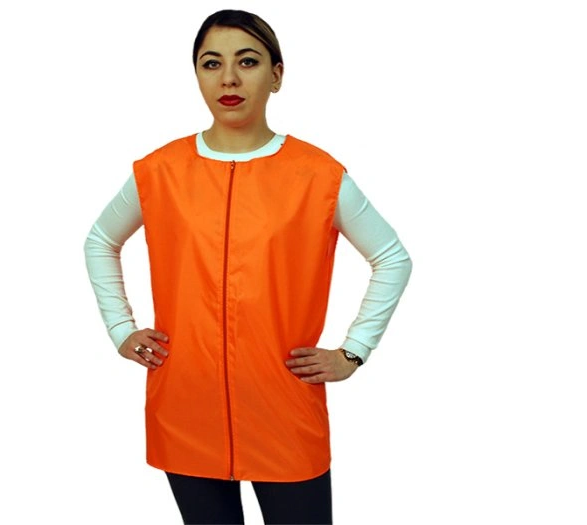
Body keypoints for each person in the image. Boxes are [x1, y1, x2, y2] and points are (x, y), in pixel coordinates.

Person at [84, 9, 412, 525]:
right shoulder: (158, 172)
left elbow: (392, 257)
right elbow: (101, 240)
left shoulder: (318, 175)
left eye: (248, 61)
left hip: (283, 406)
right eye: (212, 63)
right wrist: (120, 328)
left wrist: (354, 351)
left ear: (276, 75)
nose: (229, 79)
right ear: (197, 75)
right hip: (186, 404)